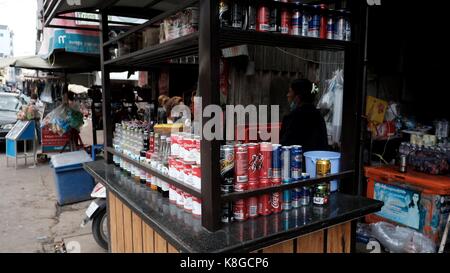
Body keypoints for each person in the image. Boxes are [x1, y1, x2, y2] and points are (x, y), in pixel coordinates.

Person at [279, 79, 329, 152]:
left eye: (290, 92)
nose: (287, 95)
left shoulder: (292, 118)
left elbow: (284, 146)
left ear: (297, 98)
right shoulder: (319, 116)